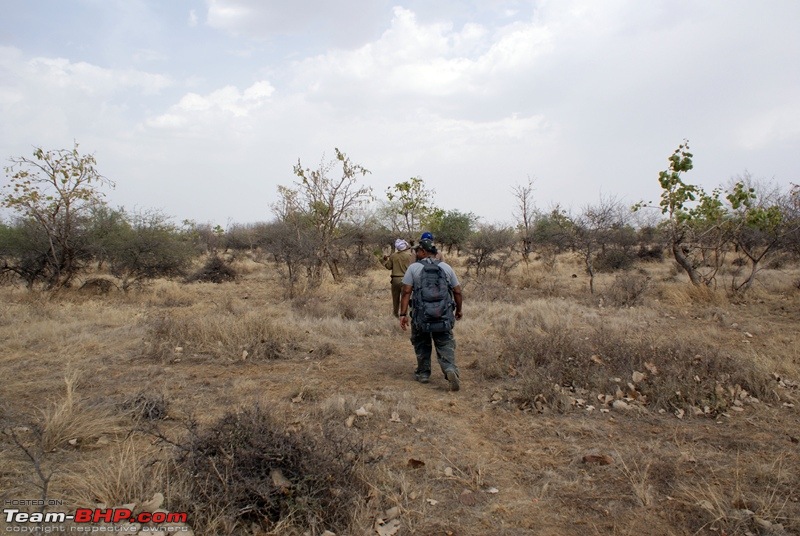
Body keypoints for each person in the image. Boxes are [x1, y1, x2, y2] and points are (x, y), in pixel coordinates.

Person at [399, 239, 463, 391]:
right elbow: (457, 291)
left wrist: (403, 314)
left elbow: (406, 291)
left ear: (422, 251)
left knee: (421, 342)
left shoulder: (413, 268)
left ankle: (423, 373)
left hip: (421, 316)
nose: (416, 253)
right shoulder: (446, 267)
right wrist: (458, 310)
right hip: (443, 315)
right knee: (445, 342)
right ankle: (449, 369)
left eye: (417, 251)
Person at [383, 238, 414, 317]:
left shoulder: (393, 256)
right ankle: (404, 314)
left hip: (395, 280)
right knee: (405, 297)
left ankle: (395, 314)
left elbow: (389, 267)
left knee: (395, 299)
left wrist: (385, 260)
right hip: (406, 280)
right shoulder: (410, 256)